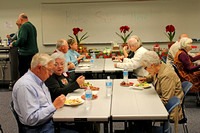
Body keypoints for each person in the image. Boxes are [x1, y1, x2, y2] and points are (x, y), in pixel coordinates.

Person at [12, 53, 77, 133]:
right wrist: (54, 106)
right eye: (49, 70)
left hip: (48, 120)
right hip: (37, 128)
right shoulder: (25, 86)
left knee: (82, 126)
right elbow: (31, 119)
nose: (50, 73)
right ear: (39, 68)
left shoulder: (40, 80)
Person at [138, 51, 184, 133]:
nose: (145, 70)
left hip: (169, 109)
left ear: (152, 65)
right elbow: (154, 75)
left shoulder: (167, 76)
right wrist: (146, 78)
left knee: (139, 112)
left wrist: (147, 103)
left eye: (145, 68)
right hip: (160, 100)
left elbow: (166, 100)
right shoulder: (160, 67)